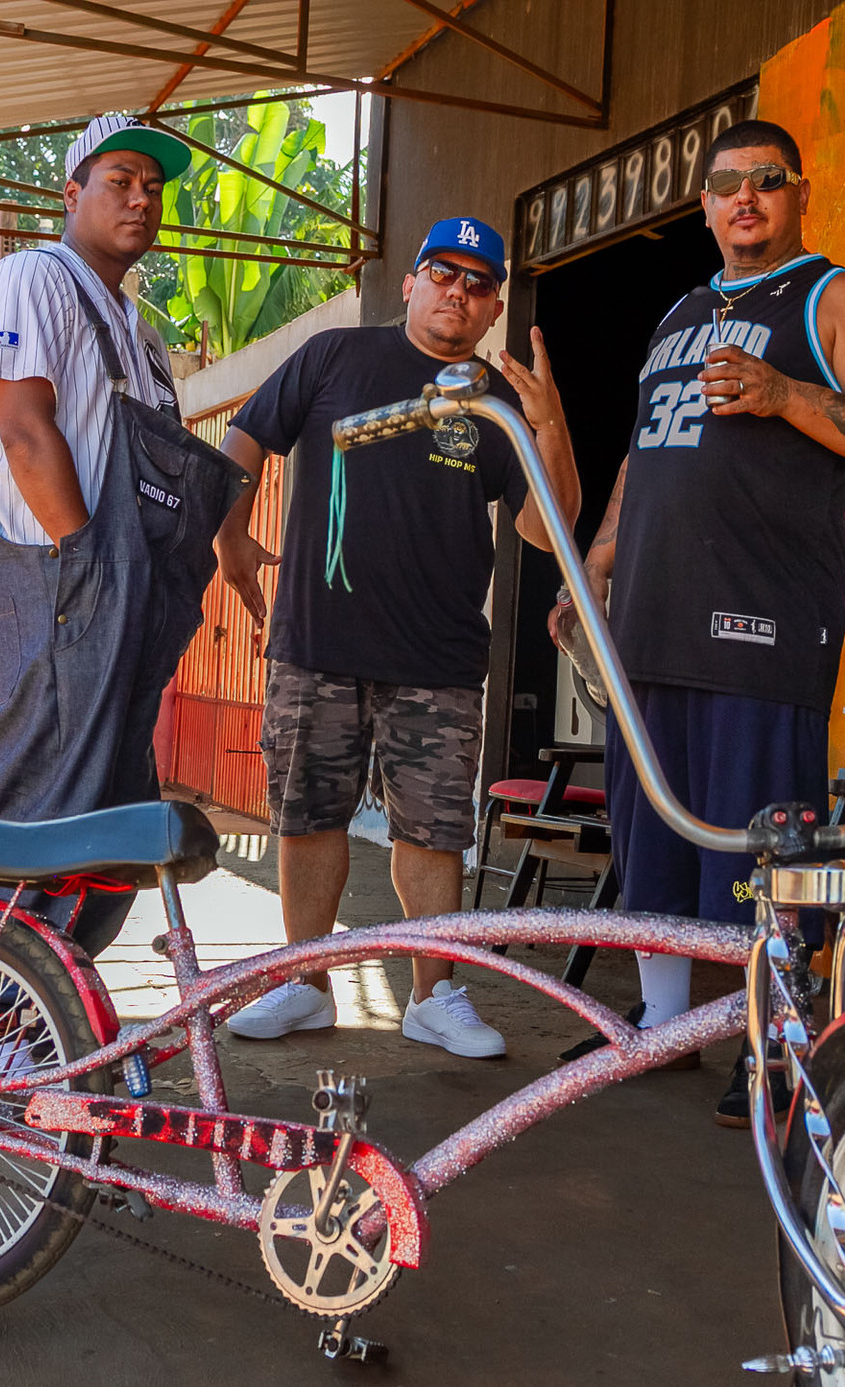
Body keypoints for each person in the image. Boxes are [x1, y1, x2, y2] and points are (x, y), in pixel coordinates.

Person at [550, 119, 845, 1122]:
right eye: (725, 186)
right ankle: (665, 1026)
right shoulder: (676, 313)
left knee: (759, 854)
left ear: (799, 192)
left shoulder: (831, 294)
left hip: (760, 619)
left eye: (764, 182)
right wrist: (591, 567)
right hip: (650, 621)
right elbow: (645, 455)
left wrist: (784, 393)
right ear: (706, 205)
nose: (743, 199)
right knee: (652, 840)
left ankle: (773, 1054)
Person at [214, 217, 583, 1058]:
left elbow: (543, 525)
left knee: (435, 833)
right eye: (442, 272)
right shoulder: (333, 357)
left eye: (477, 283)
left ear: (491, 308)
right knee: (308, 818)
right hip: (317, 643)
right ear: (410, 283)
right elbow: (248, 434)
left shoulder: (494, 400)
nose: (458, 290)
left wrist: (549, 420)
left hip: (438, 659)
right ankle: (304, 983)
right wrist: (227, 533)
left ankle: (434, 993)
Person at [0, 113, 244, 958]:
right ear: (72, 191)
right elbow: (23, 429)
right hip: (58, 579)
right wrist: (85, 557)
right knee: (47, 819)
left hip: (130, 590)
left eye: (153, 187)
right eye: (120, 180)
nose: (140, 198)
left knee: (116, 828)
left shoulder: (145, 333)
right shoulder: (29, 282)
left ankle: (60, 1016)